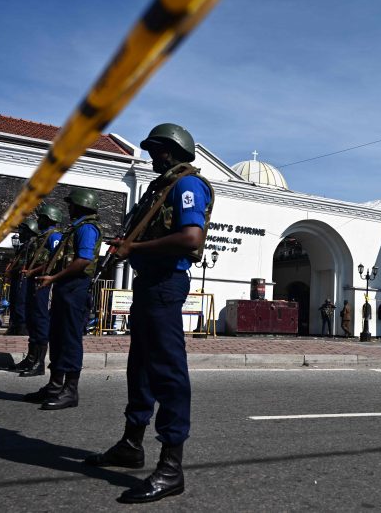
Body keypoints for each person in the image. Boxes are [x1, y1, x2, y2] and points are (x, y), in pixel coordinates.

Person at [85, 123, 213, 505]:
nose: (152, 157)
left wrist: (135, 246)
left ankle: (171, 467)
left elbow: (192, 238)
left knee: (168, 373)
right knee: (139, 367)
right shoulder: (162, 187)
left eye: (155, 150)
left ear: (169, 151)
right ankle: (131, 443)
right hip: (149, 283)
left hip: (165, 285)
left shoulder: (186, 185)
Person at [26, 189, 101, 410]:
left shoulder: (87, 228)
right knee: (57, 337)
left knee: (70, 340)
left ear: (80, 206)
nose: (68, 208)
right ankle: (54, 386)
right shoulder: (75, 228)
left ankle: (70, 391)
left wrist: (54, 277)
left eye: (71, 205)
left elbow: (83, 260)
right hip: (65, 287)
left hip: (75, 288)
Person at [14, 204, 64, 377]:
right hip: (32, 282)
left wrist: (33, 272)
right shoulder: (40, 237)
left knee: (40, 320)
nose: (38, 220)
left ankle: (39, 363)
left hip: (43, 283)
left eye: (41, 218)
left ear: (49, 219)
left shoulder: (55, 236)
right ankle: (31, 358)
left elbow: (55, 261)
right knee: (31, 320)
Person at [5, 219, 39, 335]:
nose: (19, 233)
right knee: (14, 303)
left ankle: (21, 329)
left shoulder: (33, 244)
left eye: (22, 231)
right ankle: (14, 326)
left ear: (30, 231)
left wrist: (13, 269)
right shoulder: (23, 246)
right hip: (17, 278)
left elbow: (24, 264)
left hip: (24, 278)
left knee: (21, 304)